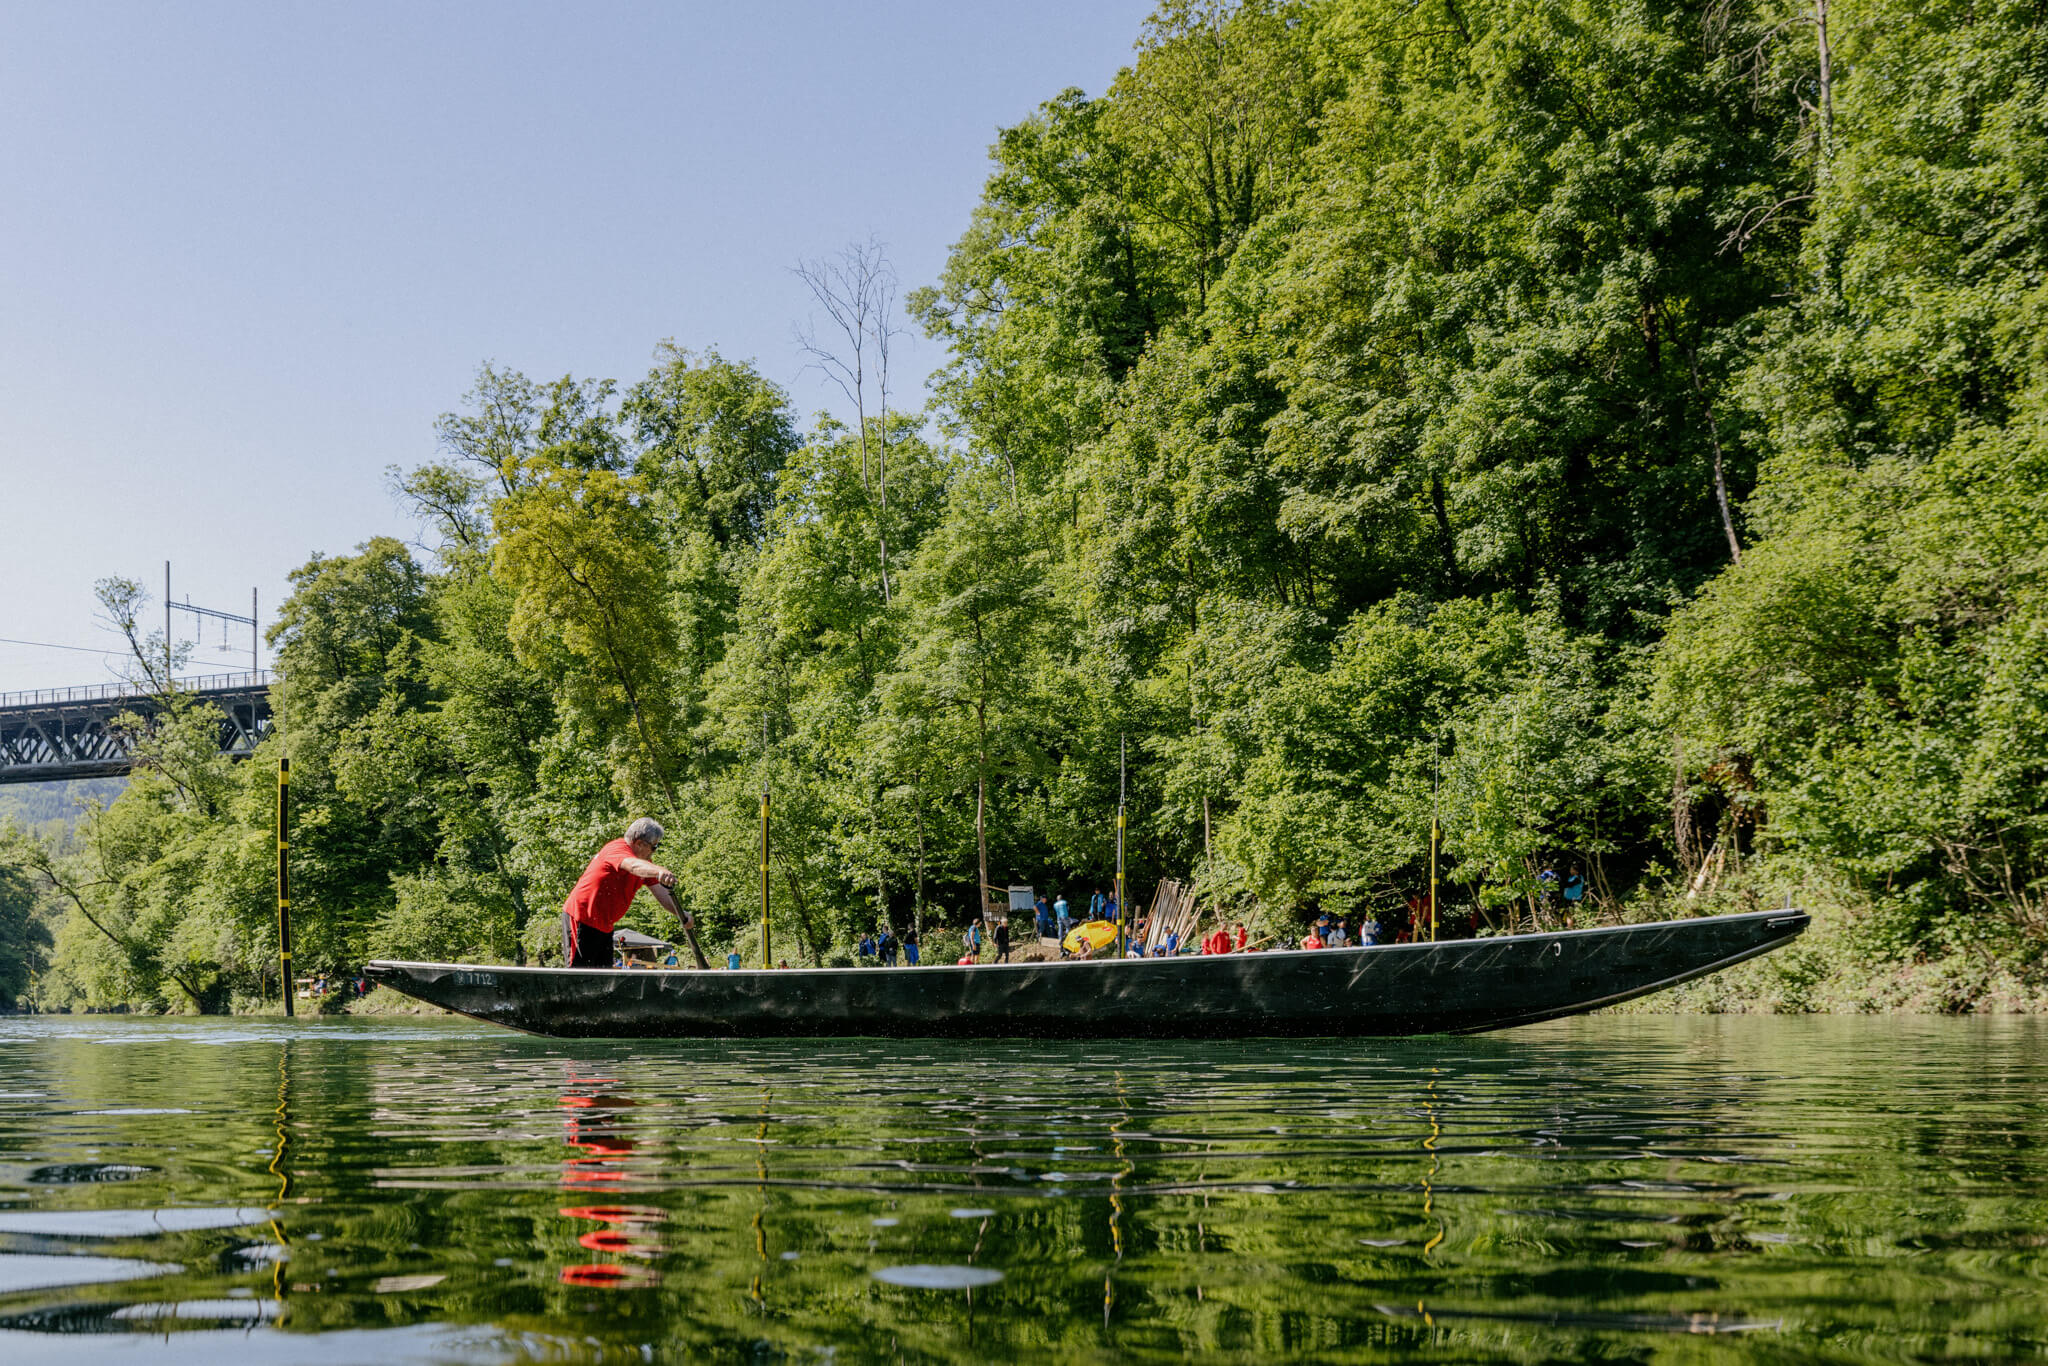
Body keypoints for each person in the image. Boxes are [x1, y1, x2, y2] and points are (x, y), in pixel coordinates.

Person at [561, 817, 694, 969]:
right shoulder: (617, 849)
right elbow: (632, 865)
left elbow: (662, 894)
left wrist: (681, 914)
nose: (653, 853)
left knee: (602, 978)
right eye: (654, 847)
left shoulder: (646, 866)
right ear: (639, 843)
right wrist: (659, 871)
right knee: (579, 974)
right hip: (581, 918)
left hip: (604, 926)